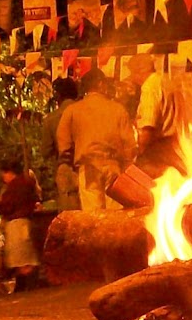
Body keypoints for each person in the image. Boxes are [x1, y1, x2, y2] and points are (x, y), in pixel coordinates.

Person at [56, 69, 136, 213]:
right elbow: (129, 144)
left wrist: (69, 165)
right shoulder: (118, 109)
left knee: (93, 215)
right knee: (116, 215)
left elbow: (63, 142)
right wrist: (126, 166)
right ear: (100, 84)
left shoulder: (72, 110)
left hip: (88, 168)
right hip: (114, 167)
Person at [131, 54, 188, 179]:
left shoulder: (149, 87)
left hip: (158, 150)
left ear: (140, 71)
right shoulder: (167, 82)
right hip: (177, 145)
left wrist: (138, 154)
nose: (133, 78)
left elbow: (148, 126)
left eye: (132, 73)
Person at [0, 157, 42, 290]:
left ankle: (27, 285)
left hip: (17, 223)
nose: (3, 177)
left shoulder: (15, 186)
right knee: (24, 257)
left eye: (4, 173)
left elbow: (8, 206)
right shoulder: (27, 184)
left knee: (22, 258)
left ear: (10, 172)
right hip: (25, 222)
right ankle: (23, 284)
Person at [41, 78, 81, 210]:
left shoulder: (51, 119)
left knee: (69, 216)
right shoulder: (88, 112)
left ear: (58, 96)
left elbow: (45, 151)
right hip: (89, 168)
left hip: (66, 169)